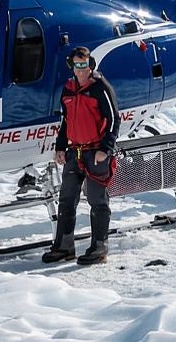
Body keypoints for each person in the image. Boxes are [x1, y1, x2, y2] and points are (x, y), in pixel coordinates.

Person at [42, 46, 120, 265]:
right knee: (66, 200)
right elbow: (65, 121)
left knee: (97, 201)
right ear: (72, 66)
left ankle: (99, 248)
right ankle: (64, 246)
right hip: (74, 152)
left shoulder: (100, 87)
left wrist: (105, 149)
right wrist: (60, 147)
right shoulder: (68, 90)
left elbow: (114, 119)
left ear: (90, 64)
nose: (81, 69)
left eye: (84, 65)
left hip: (96, 153)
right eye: (77, 65)